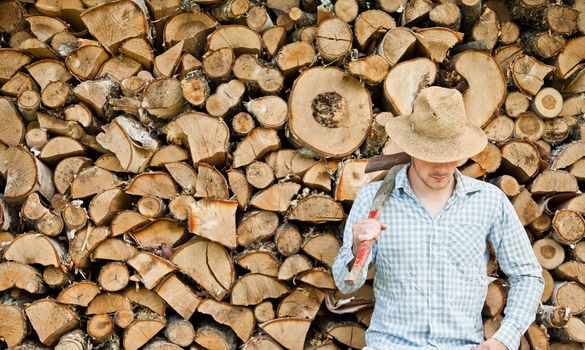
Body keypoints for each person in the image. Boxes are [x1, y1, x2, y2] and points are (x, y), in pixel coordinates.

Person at [332, 87, 544, 350]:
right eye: (431, 156)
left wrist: (505, 338)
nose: (442, 168)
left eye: (450, 155)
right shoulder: (374, 200)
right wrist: (355, 248)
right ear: (410, 147)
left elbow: (527, 275)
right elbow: (344, 283)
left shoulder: (488, 200)